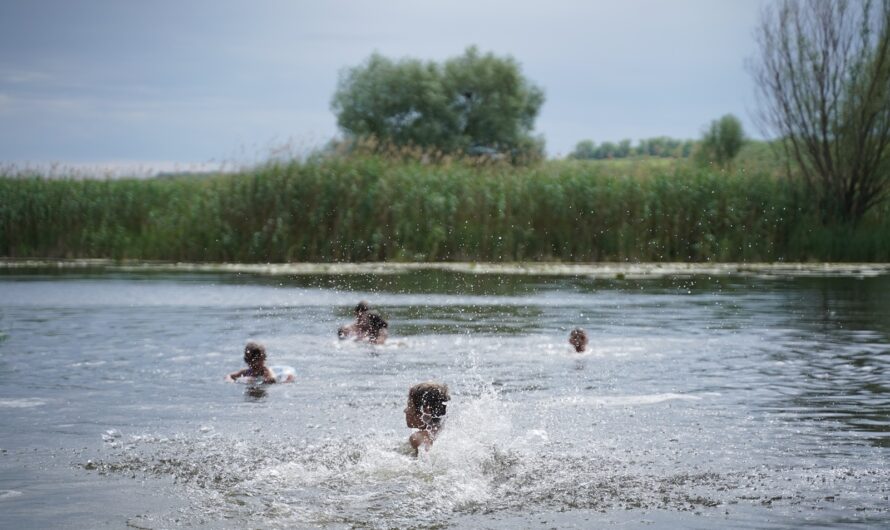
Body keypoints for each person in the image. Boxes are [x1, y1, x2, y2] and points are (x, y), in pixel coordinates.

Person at [404, 382, 450, 456]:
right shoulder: (442, 432)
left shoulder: (417, 438)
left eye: (409, 405)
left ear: (426, 410)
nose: (405, 410)